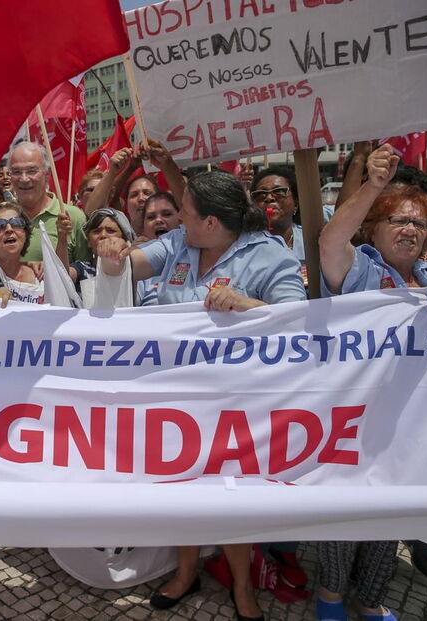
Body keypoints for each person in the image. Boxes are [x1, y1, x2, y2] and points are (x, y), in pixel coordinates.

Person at [98, 170, 306, 621]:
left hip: (237, 401)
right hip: (176, 397)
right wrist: (113, 254)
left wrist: (246, 305)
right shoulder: (177, 244)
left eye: (186, 212)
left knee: (231, 495)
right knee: (180, 488)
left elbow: (297, 321)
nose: (178, 220)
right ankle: (185, 572)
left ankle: (243, 587)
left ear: (211, 222)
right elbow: (130, 265)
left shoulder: (270, 255)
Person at [316, 144, 427, 621]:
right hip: (351, 421)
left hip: (407, 423)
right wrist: (373, 185)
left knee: (392, 513)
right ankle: (332, 597)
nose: (409, 231)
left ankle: (371, 596)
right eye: (398, 221)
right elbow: (328, 241)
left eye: (419, 224)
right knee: (344, 511)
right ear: (374, 228)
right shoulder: (359, 269)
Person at [0, 143, 89, 264]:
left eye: (32, 171)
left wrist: (53, 269)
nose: (24, 179)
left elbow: (87, 270)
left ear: (47, 175)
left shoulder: (73, 216)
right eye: (16, 172)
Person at [67, 207, 135, 305]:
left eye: (110, 231)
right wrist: (62, 238)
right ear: (89, 242)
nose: (103, 235)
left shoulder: (133, 268)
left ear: (124, 238)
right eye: (96, 231)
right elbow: (63, 276)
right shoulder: (81, 268)